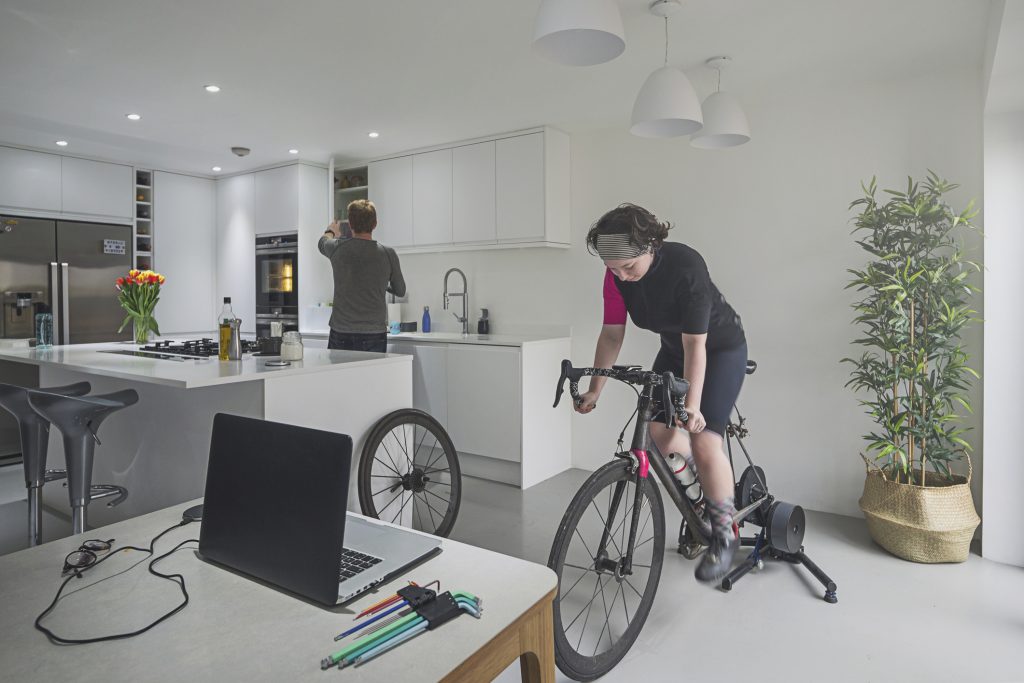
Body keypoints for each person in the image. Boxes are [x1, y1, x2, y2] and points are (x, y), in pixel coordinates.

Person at [576, 203, 747, 583]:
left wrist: (693, 407)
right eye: (613, 268)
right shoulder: (616, 275)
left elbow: (695, 347)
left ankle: (725, 534)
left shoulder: (686, 267)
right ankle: (699, 494)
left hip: (718, 349)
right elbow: (611, 335)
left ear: (650, 247)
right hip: (673, 349)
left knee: (703, 441)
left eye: (628, 267)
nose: (621, 276)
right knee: (658, 433)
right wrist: (594, 389)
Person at [319, 199, 406, 353]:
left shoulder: (337, 247)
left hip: (341, 332)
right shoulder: (388, 253)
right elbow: (400, 290)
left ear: (350, 224)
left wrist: (331, 230)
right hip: (374, 334)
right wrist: (380, 284)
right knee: (371, 377)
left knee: (338, 377)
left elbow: (322, 242)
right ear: (375, 224)